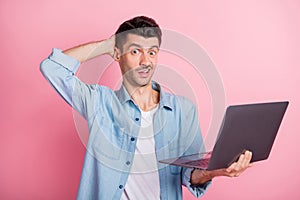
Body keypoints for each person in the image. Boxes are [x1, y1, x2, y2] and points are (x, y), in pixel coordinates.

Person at [40, 16, 252, 199]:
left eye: (152, 52)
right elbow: (53, 68)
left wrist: (214, 171)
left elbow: (189, 175)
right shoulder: (98, 102)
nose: (145, 61)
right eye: (135, 51)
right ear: (117, 55)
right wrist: (107, 45)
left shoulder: (183, 110)